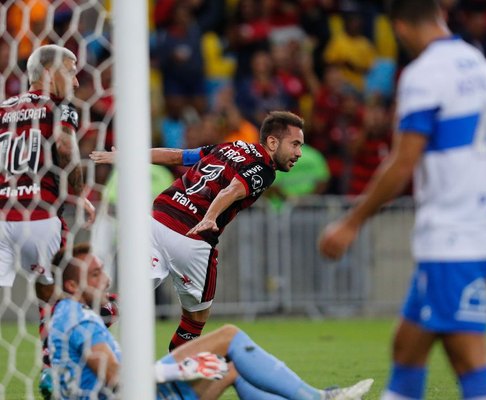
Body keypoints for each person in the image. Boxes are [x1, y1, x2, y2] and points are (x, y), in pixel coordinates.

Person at [318, 1, 486, 399]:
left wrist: (350, 222)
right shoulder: (478, 65)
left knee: (469, 358)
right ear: (439, 14)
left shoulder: (423, 74)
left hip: (452, 238)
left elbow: (402, 162)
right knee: (406, 350)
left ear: (399, 28)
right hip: (470, 230)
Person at [90, 111, 304, 351]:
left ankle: (92, 322)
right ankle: (177, 372)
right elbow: (232, 190)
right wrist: (210, 217)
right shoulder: (265, 169)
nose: (298, 153)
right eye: (294, 144)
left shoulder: (229, 146)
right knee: (195, 319)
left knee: (131, 298)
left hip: (157, 220)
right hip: (192, 234)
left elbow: (177, 156)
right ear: (273, 142)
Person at [48, 242, 374, 400]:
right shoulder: (81, 322)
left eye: (102, 270)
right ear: (73, 286)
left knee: (231, 368)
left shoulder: (65, 317)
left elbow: (56, 376)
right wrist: (175, 370)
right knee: (228, 336)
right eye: (95, 274)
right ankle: (319, 398)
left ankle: (312, 397)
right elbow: (118, 379)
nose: (105, 279)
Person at [0, 44, 96, 396]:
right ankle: (50, 370)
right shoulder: (58, 107)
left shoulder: (4, 107)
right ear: (49, 72)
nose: (74, 78)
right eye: (69, 71)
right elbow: (67, 148)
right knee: (56, 296)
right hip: (39, 215)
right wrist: (80, 194)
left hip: (2, 215)